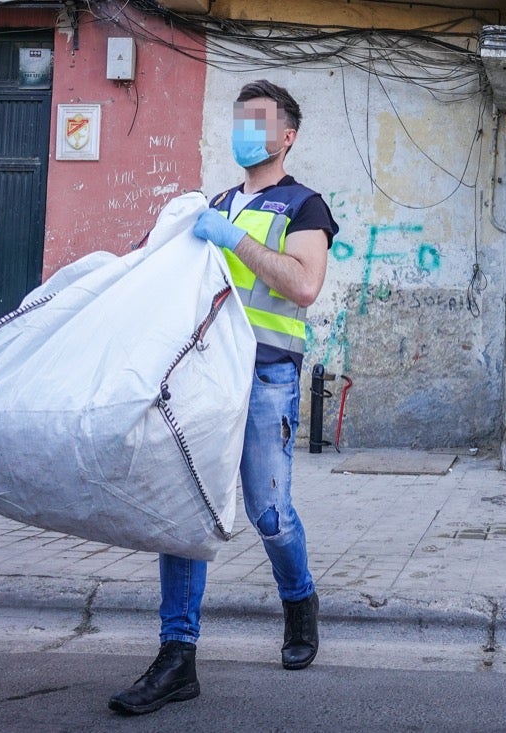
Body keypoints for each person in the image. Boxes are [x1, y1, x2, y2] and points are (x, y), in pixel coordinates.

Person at [109, 80, 339, 716]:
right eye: (240, 121)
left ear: (286, 136)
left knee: (270, 514)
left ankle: (299, 601)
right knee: (184, 511)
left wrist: (233, 239)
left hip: (266, 377)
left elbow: (302, 286)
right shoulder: (214, 202)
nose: (245, 131)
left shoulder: (305, 206)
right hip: (204, 378)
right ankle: (177, 655)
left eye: (258, 122)